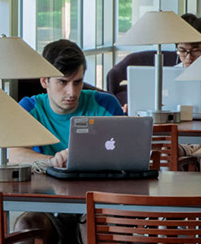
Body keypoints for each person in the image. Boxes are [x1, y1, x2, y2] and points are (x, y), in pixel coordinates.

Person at [10, 39, 125, 169]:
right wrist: (53, 161)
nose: (72, 92)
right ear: (44, 81)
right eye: (62, 82)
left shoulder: (106, 104)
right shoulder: (30, 108)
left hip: (99, 186)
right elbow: (13, 155)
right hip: (45, 186)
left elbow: (127, 150)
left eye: (77, 82)